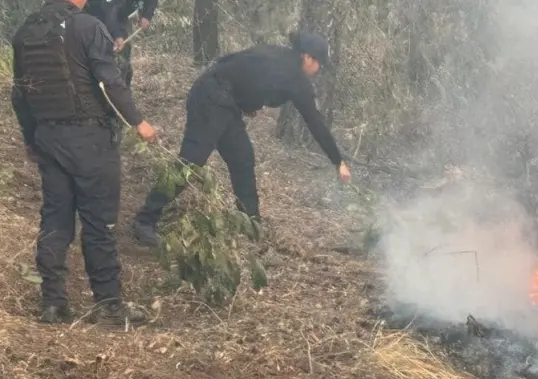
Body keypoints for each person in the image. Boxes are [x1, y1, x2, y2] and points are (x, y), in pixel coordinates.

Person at [10, 0, 158, 325]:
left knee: (54, 219)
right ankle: (108, 304)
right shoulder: (88, 26)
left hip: (48, 137)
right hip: (90, 140)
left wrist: (30, 138)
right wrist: (139, 123)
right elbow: (110, 83)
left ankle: (53, 302)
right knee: (99, 222)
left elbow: (19, 94)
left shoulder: (26, 32)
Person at [131, 31, 353, 248]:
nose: (318, 69)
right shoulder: (294, 77)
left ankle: (251, 225)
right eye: (319, 64)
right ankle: (145, 220)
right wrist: (338, 161)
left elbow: (242, 71)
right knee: (191, 162)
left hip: (225, 102)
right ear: (307, 57)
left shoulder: (280, 56)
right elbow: (315, 122)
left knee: (243, 159)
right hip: (211, 99)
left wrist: (246, 102)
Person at [84, 0, 158, 87]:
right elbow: (110, 10)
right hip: (98, 15)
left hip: (120, 15)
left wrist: (147, 15)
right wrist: (117, 35)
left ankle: (123, 87)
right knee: (102, 57)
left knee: (124, 58)